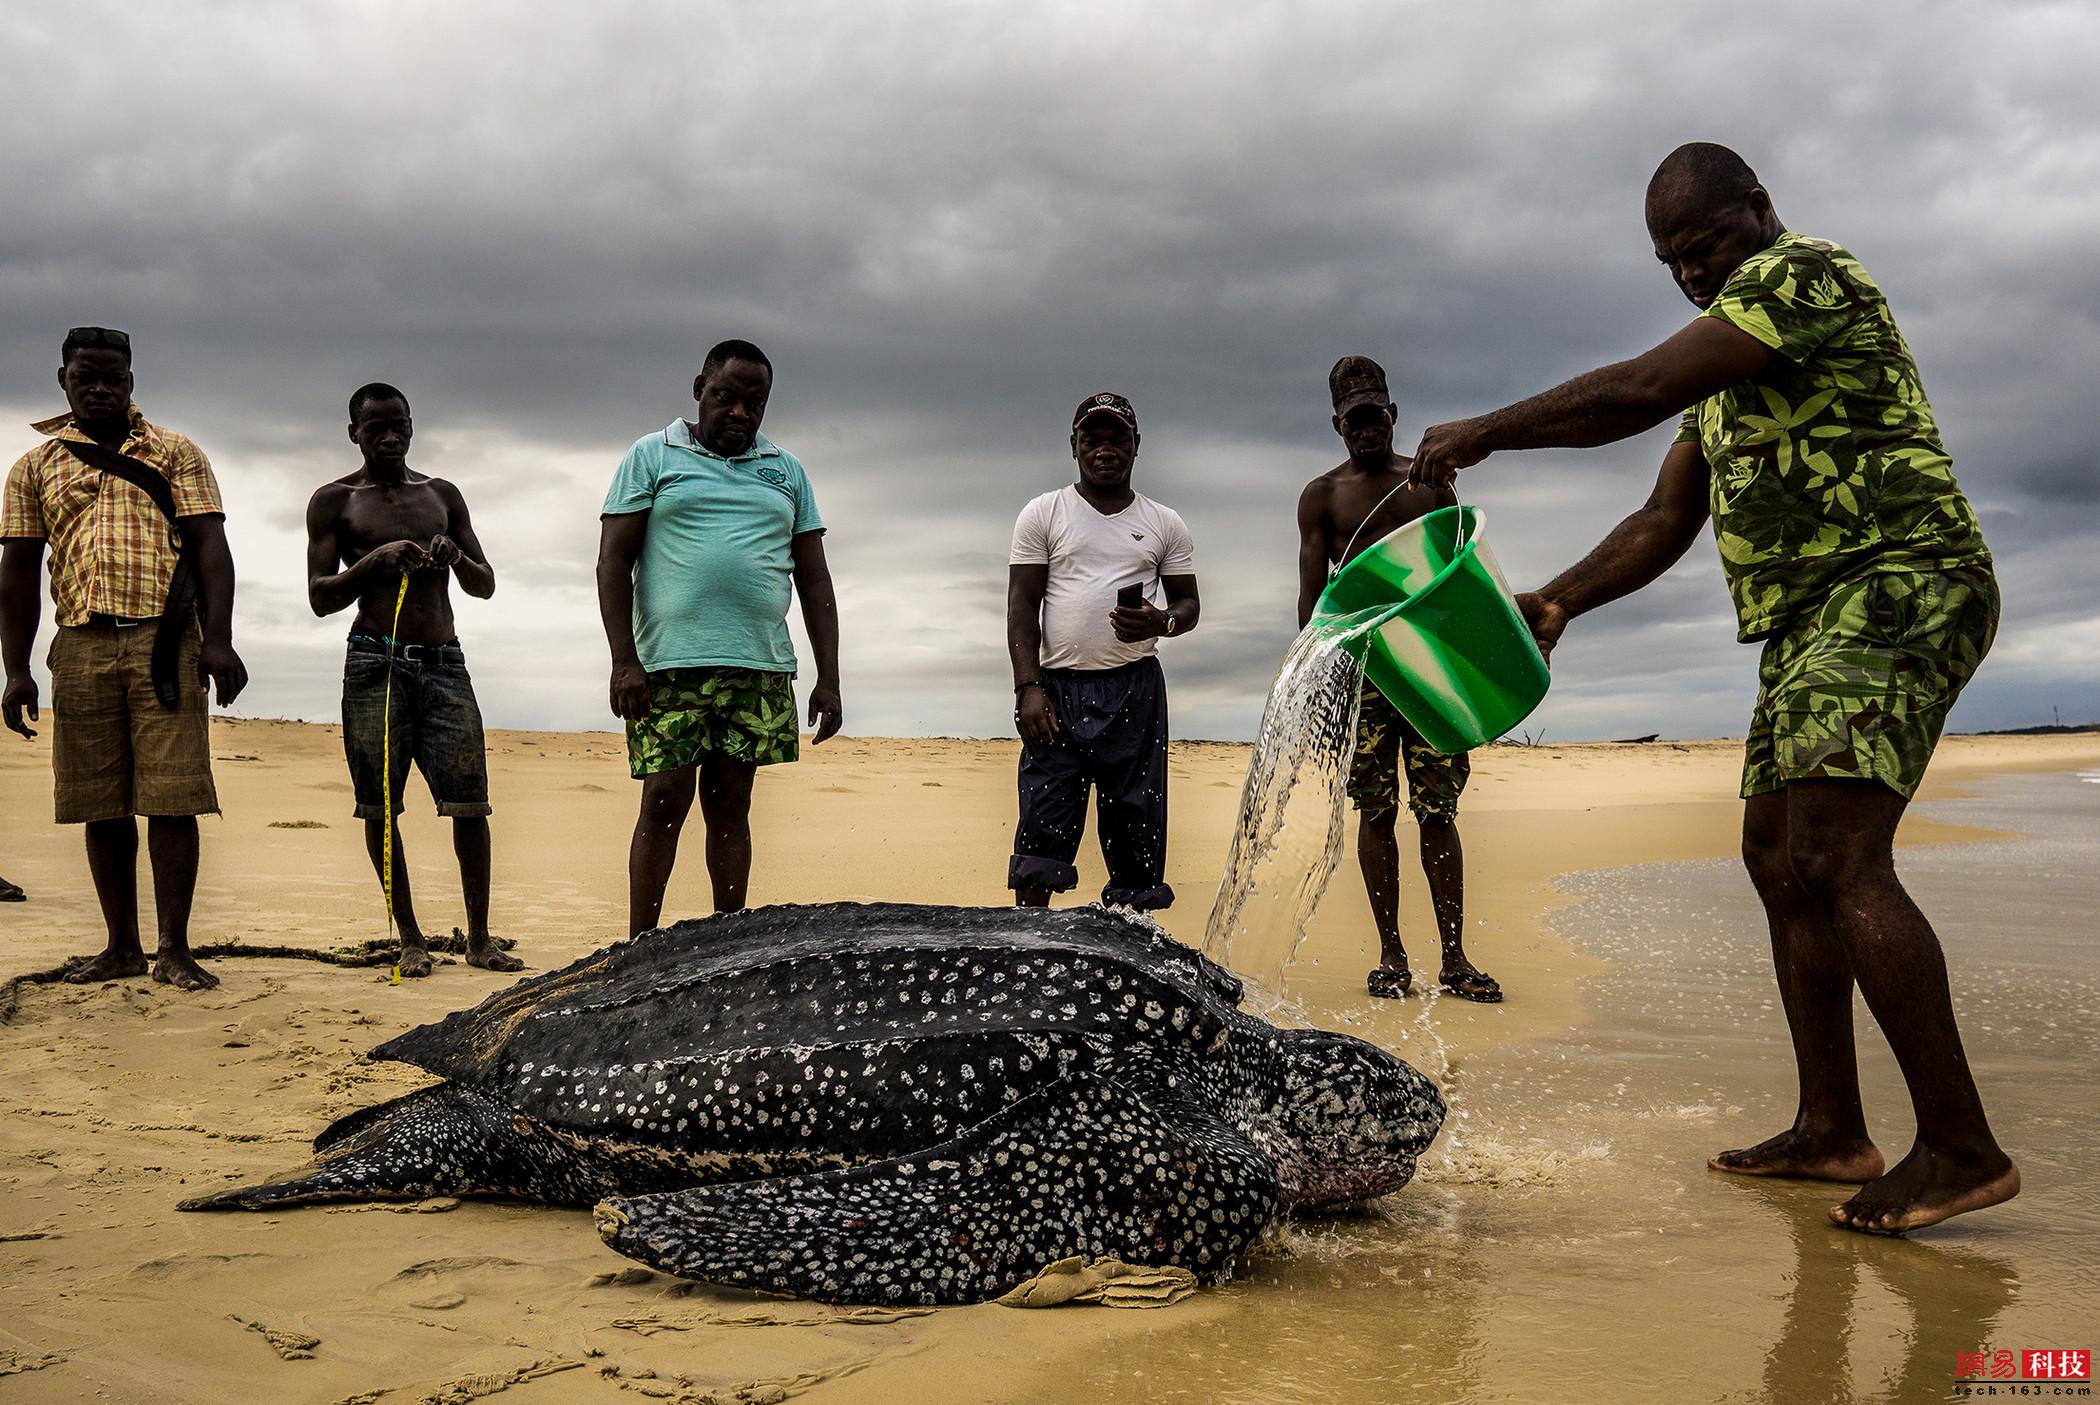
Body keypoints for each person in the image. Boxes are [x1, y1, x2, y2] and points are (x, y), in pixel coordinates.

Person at [1406, 143, 2017, 1233]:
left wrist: (1487, 430)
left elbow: (1637, 389)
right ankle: (1832, 1130)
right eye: (1672, 263)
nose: (1693, 277)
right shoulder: (1730, 382)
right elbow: (1662, 520)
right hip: (1808, 623)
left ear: (1761, 210)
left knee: (1837, 853)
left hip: (1898, 581)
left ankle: (1962, 1146)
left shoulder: (1804, 276)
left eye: (1706, 248)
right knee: (1778, 855)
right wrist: (1558, 600)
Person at [0, 326, 247, 990]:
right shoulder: (33, 466)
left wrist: (217, 639)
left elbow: (211, 550)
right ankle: (121, 947)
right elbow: (18, 572)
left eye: (113, 378)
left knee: (174, 797)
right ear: (64, 381)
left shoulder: (175, 451)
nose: (101, 389)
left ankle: (174, 948)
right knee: (99, 802)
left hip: (168, 643)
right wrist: (16, 668)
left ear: (132, 381)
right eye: (87, 378)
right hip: (79, 644)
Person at [597, 340, 841, 938]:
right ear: (699, 389)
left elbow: (813, 576)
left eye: (754, 403)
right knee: (663, 801)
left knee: (732, 806)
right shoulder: (652, 456)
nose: (739, 413)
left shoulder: (786, 470)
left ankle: (724, 944)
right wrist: (623, 661)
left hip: (758, 665)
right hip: (669, 667)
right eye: (726, 397)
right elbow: (612, 562)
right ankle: (639, 946)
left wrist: (829, 676)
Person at [1296, 356, 1497, 1002]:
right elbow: (1312, 603)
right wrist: (1324, 681)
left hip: (1431, 667)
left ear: (1393, 414)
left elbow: (1461, 575)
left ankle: (1456, 957)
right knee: (1376, 810)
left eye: (1375, 415)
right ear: (1337, 424)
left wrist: (1474, 668)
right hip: (1366, 672)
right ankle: (1391, 956)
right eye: (1353, 420)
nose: (1366, 428)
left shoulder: (1432, 482)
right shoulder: (1323, 496)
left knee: (1437, 809)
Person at [305, 382, 522, 977]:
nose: (389, 435)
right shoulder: (335, 501)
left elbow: (485, 583)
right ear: (354, 433)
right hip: (376, 661)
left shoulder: (442, 494)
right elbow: (320, 597)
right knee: (379, 806)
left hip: (444, 662)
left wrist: (455, 558)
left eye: (398, 423)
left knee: (470, 803)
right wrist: (372, 561)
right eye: (375, 427)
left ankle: (479, 939)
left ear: (411, 425)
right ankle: (410, 940)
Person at [1008, 392, 1198, 911]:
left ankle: (1130, 949)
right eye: (1093, 439)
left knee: (1136, 825)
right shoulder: (1044, 513)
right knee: (1043, 824)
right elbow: (1022, 605)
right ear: (1074, 446)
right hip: (1055, 692)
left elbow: (1188, 604)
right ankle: (1029, 948)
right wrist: (1028, 686)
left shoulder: (1164, 522)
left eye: (1119, 439)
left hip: (1134, 690)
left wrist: (1164, 621)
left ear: (1137, 447)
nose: (1105, 450)